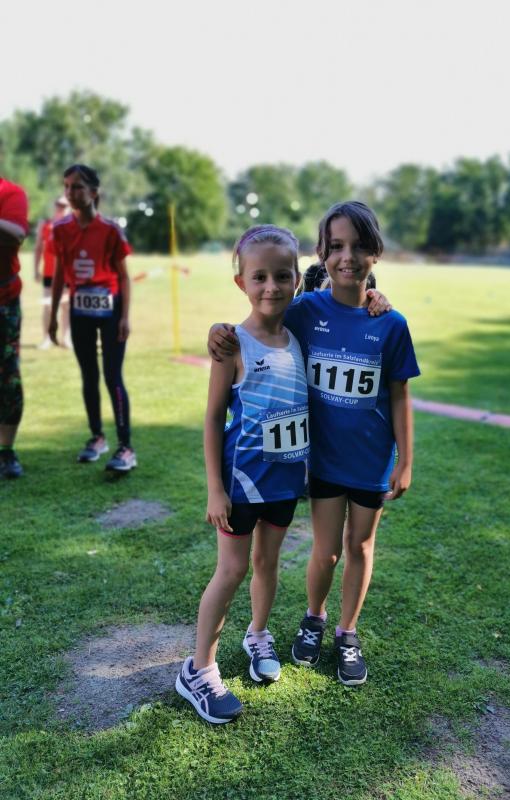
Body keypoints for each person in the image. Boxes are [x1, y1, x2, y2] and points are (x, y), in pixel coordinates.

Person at [209, 201, 419, 687]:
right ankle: (314, 618)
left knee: (360, 546)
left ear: (376, 251)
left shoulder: (390, 323)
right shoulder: (305, 310)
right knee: (325, 552)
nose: (348, 256)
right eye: (337, 246)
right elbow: (260, 318)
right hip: (322, 462)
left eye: (359, 246)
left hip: (371, 463)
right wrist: (219, 332)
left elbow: (399, 394)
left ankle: (348, 632)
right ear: (322, 253)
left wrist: (405, 460)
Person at [176, 225, 309, 724]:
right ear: (241, 282)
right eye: (259, 277)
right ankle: (199, 669)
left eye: (282, 276)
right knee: (231, 571)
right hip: (242, 483)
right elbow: (214, 418)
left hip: (285, 481)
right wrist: (215, 489)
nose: (271, 286)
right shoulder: (231, 344)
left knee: (268, 564)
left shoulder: (299, 337)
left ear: (297, 279)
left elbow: (352, 296)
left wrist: (378, 296)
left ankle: (257, 635)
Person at [49, 164, 136, 471]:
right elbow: (60, 274)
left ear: (94, 192)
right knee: (88, 375)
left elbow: (123, 276)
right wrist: (52, 317)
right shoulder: (60, 230)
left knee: (112, 375)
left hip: (111, 310)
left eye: (77, 186)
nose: (70, 193)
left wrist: (125, 316)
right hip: (79, 310)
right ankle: (97, 437)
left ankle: (126, 447)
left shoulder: (110, 230)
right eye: (67, 186)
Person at [0, 176, 28, 479]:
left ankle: (5, 451)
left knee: (7, 377)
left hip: (3, 301)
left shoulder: (10, 193)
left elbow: (16, 234)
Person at [34, 196, 70, 349]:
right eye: (58, 204)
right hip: (49, 273)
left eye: (64, 205)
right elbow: (38, 248)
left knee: (66, 306)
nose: (60, 207)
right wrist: (36, 269)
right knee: (48, 306)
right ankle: (47, 338)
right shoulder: (46, 224)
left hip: (67, 274)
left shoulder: (73, 225)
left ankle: (66, 338)